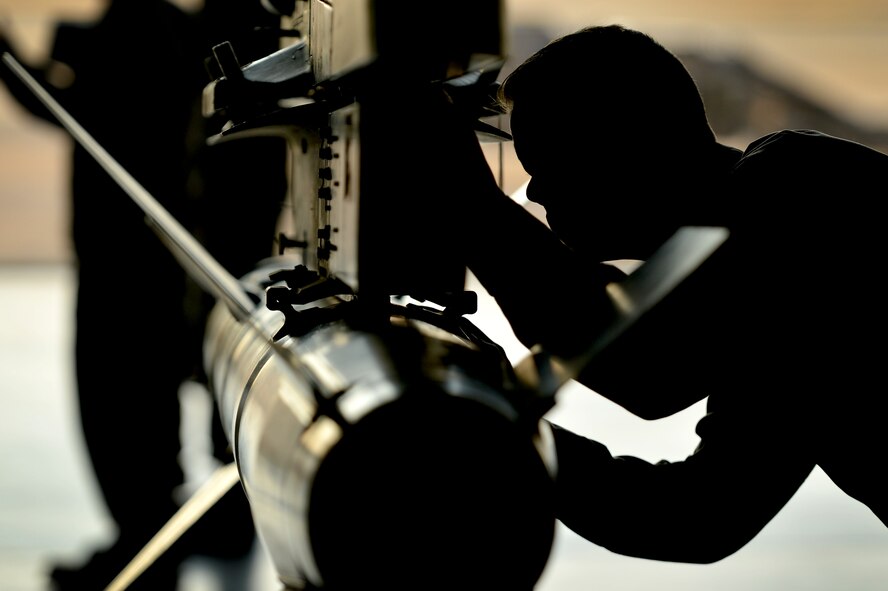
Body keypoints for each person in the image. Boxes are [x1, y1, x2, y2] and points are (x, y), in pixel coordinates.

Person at [433, 23, 888, 564]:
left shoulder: (800, 192)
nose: (536, 191)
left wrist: (471, 208)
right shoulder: (763, 267)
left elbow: (649, 368)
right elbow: (693, 517)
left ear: (632, 143)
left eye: (552, 162)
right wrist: (494, 422)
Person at [0, 1, 284, 588]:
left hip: (127, 265)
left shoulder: (142, 27)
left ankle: (149, 542)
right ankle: (174, 531)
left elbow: (61, 102)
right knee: (140, 420)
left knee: (120, 414)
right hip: (168, 261)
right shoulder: (184, 31)